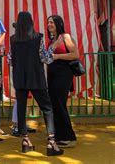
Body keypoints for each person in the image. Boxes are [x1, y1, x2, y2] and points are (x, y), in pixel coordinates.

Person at [9, 12, 64, 156]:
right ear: (31, 22)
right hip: (36, 78)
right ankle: (52, 142)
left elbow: (10, 60)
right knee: (47, 108)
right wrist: (54, 46)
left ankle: (25, 141)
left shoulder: (13, 39)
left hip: (20, 79)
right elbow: (45, 58)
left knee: (21, 109)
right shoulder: (37, 37)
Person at [47, 15, 79, 148]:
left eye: (52, 22)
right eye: (48, 22)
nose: (49, 24)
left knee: (60, 105)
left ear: (59, 23)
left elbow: (75, 54)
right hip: (52, 76)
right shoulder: (51, 40)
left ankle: (69, 137)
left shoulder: (65, 37)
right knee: (55, 106)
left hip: (63, 75)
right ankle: (59, 136)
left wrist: (57, 56)